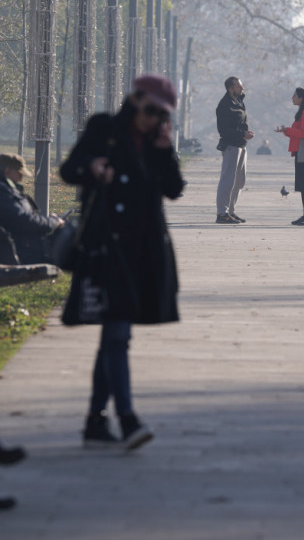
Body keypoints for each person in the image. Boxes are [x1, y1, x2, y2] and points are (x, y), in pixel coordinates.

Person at [60, 74, 184, 451]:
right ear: (135, 99)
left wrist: (165, 150)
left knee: (112, 338)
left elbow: (174, 190)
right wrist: (93, 167)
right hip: (107, 250)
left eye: (161, 116)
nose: (152, 120)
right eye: (149, 111)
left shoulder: (155, 142)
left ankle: (95, 422)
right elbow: (69, 170)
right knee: (117, 336)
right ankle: (127, 420)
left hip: (145, 253)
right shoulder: (105, 128)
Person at [0, 153, 64, 264]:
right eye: (19, 174)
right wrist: (53, 222)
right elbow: (23, 220)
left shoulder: (7, 191)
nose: (21, 178)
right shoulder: (4, 193)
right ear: (7, 172)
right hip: (16, 254)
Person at [275, 87, 304, 226]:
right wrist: (286, 131)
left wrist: (287, 130)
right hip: (301, 151)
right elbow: (299, 131)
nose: (292, 98)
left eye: (294, 96)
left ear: (301, 97)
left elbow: (303, 133)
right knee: (303, 184)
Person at [216, 76, 254, 224]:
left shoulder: (238, 102)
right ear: (230, 88)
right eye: (239, 86)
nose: (242, 88)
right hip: (231, 146)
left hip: (241, 146)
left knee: (239, 181)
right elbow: (224, 130)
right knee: (228, 180)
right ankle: (222, 213)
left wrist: (246, 133)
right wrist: (241, 134)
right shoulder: (225, 105)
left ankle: (231, 211)